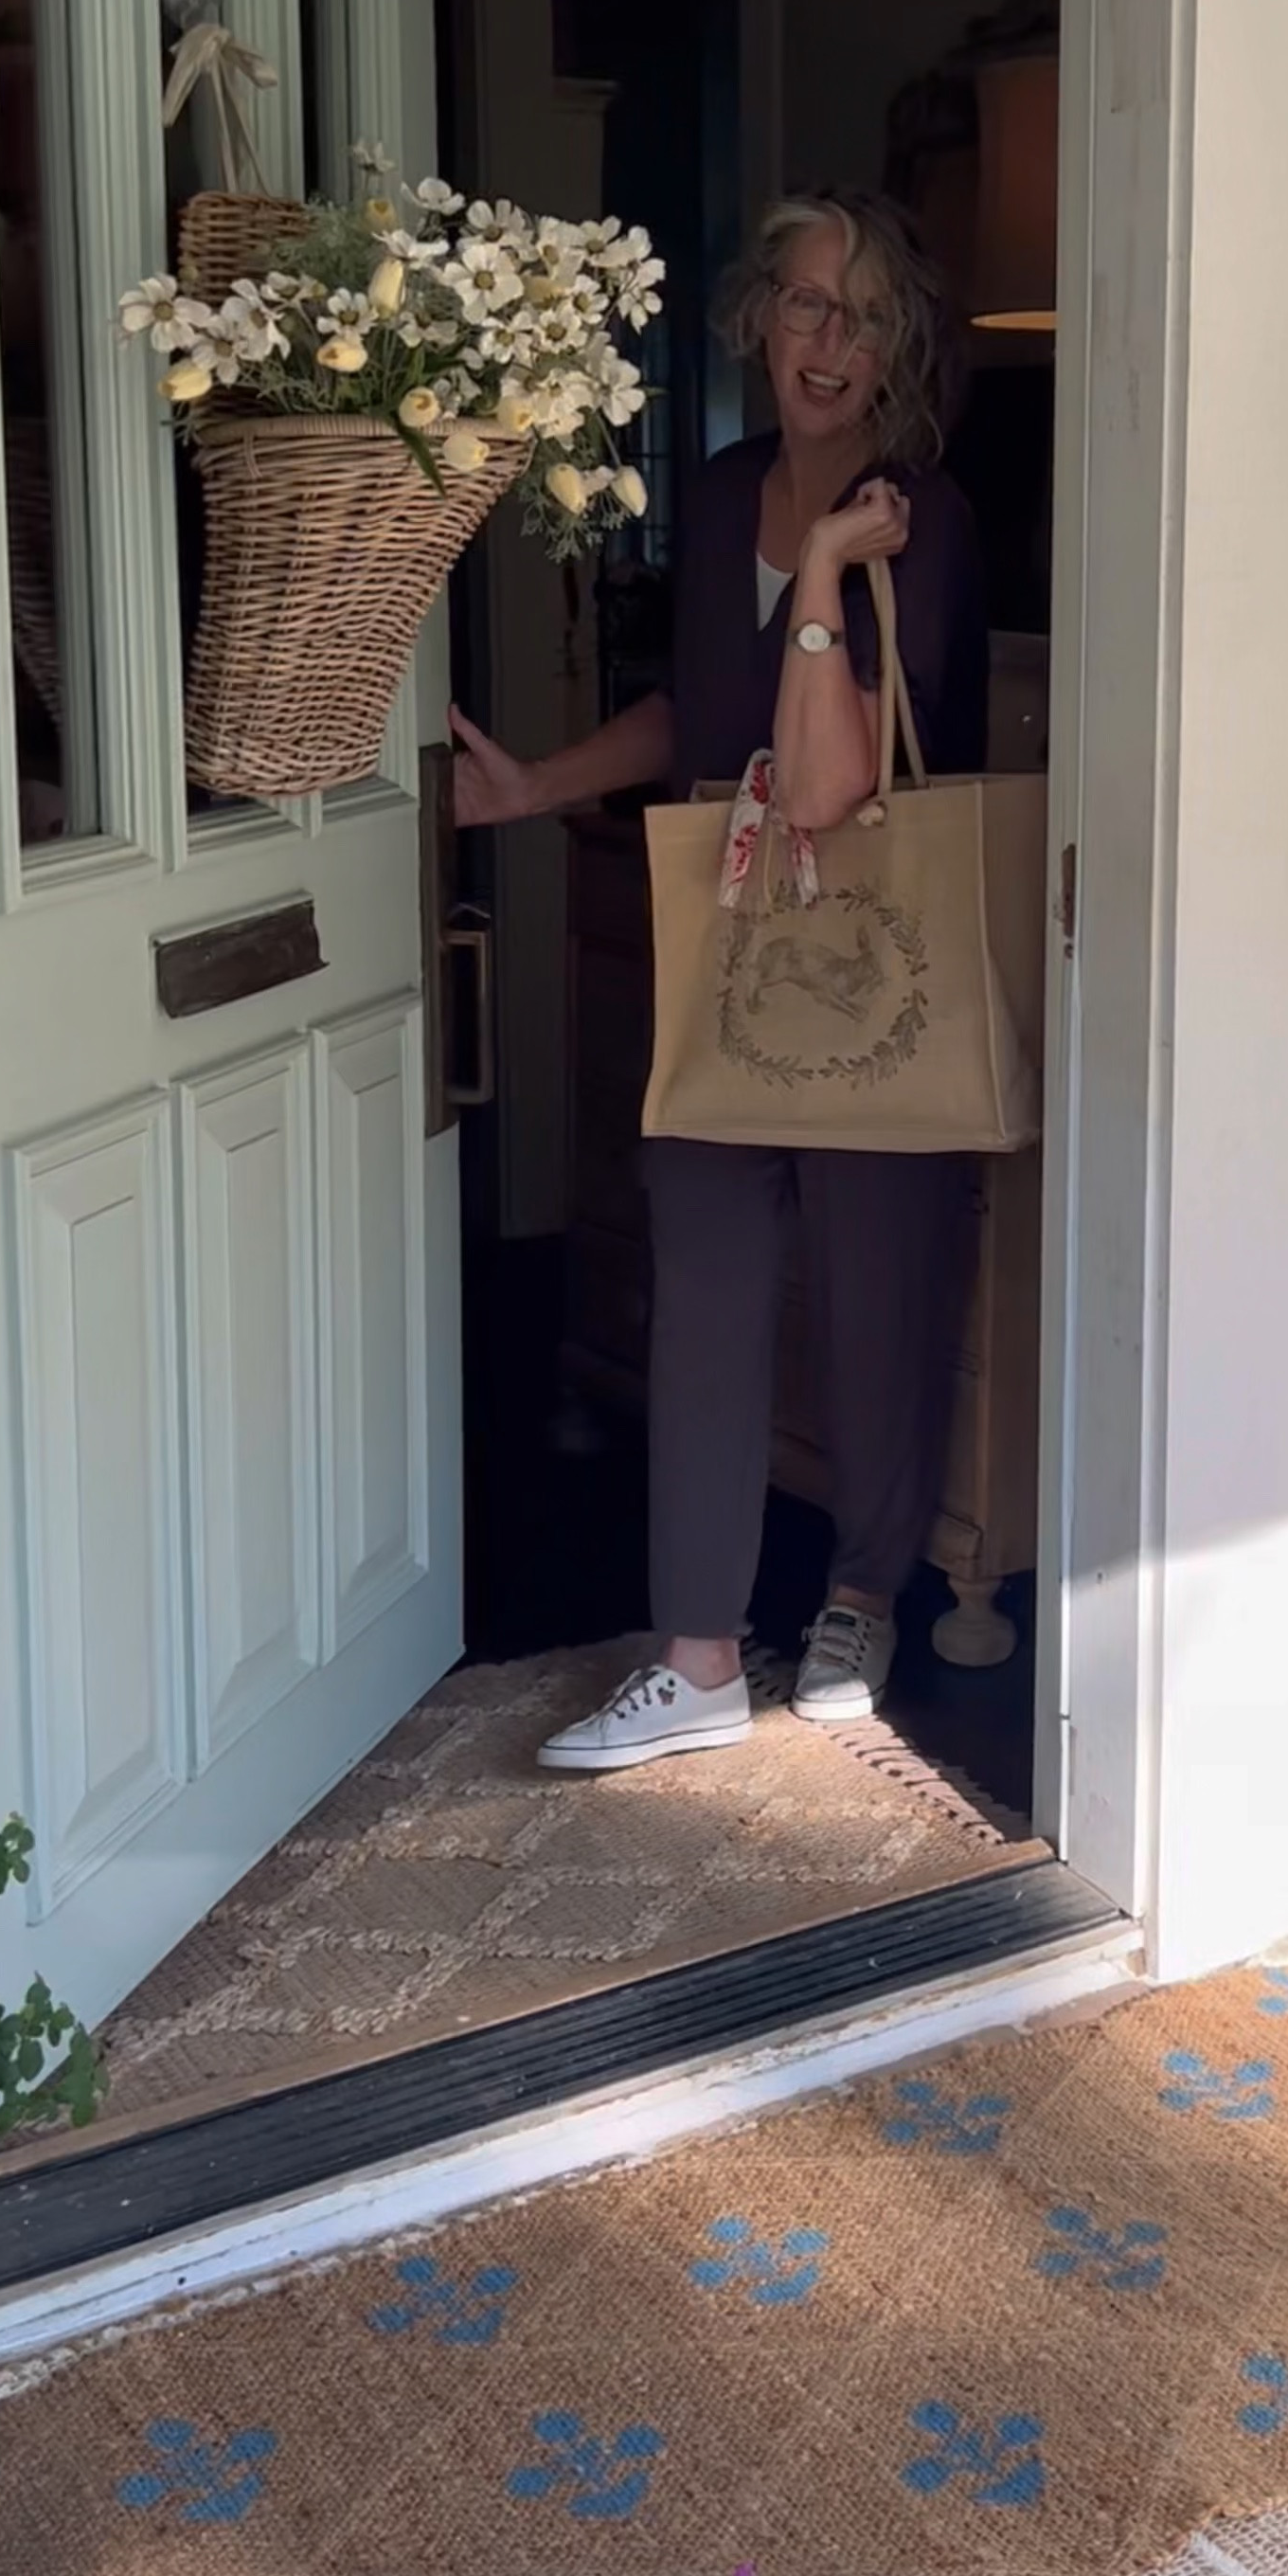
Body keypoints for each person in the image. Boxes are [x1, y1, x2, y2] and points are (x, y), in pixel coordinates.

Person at [452, 189, 989, 1775]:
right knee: (702, 1283)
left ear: (902, 351)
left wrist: (823, 569)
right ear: (760, 315)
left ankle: (864, 1593)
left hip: (865, 957)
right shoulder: (717, 488)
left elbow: (824, 785)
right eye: (807, 306)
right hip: (729, 946)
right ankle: (694, 1651)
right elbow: (696, 717)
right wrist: (535, 788)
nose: (830, 343)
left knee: (881, 1289)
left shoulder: (920, 519)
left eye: (866, 316)